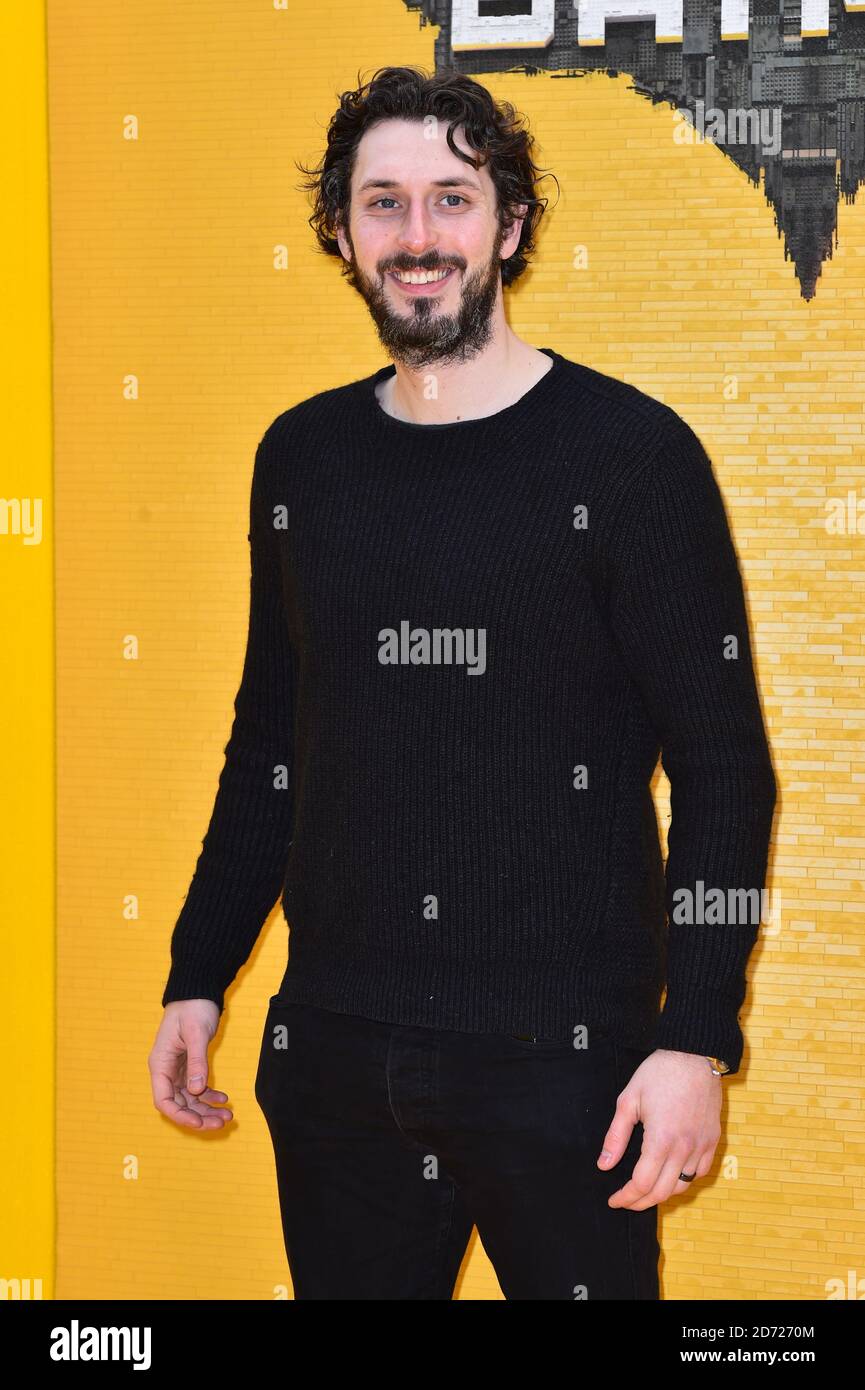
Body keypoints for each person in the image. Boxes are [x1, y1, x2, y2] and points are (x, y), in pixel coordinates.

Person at [148, 66, 777, 1299]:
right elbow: (271, 740)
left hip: (570, 1067)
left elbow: (723, 770)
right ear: (342, 232)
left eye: (451, 198)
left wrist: (696, 1031)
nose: (418, 235)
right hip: (335, 1057)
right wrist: (196, 970)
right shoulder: (304, 458)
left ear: (512, 224)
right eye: (382, 204)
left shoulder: (633, 458)